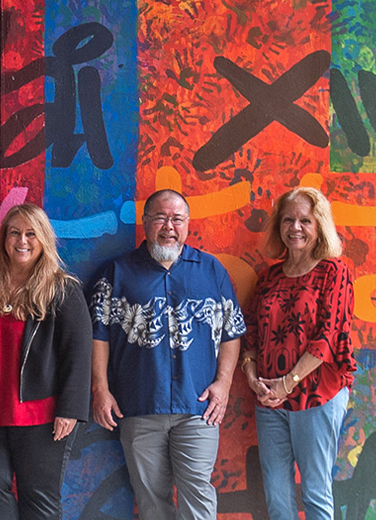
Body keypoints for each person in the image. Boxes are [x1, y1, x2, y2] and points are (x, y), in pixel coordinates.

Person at [88, 190, 246, 520]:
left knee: (198, 495)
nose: (169, 226)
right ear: (145, 223)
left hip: (198, 407)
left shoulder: (211, 270)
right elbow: (98, 335)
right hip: (140, 404)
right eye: (160, 217)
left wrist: (224, 383)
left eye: (177, 219)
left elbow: (232, 330)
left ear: (188, 224)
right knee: (150, 501)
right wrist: (100, 389)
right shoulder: (116, 273)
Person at [0, 204, 92, 520]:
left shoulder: (61, 288)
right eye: (15, 233)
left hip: (42, 416)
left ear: (43, 240)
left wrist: (70, 409)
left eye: (31, 234)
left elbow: (78, 355)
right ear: (3, 239)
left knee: (39, 502)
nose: (22, 241)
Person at [243, 187, 356, 520]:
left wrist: (287, 383)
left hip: (316, 394)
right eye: (288, 219)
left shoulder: (334, 272)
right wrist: (252, 377)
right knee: (277, 496)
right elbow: (250, 332)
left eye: (305, 220)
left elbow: (327, 338)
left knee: (315, 491)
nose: (296, 227)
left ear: (319, 225)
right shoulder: (268, 277)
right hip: (269, 397)